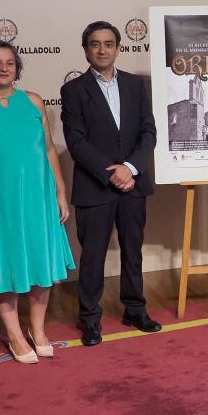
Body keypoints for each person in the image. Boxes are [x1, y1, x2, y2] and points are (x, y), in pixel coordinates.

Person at [0, 42, 75, 364]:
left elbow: (48, 149)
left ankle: (37, 329)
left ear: (17, 68)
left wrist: (60, 192)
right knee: (3, 265)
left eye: (9, 63)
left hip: (38, 197)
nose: (4, 68)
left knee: (41, 264)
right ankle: (14, 334)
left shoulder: (33, 102)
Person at [61, 21, 158, 346]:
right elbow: (76, 141)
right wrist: (111, 172)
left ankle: (135, 309)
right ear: (86, 49)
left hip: (133, 185)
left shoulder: (134, 85)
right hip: (95, 187)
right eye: (94, 44)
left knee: (133, 251)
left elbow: (148, 132)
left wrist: (129, 168)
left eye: (108, 43)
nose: (102, 49)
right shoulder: (73, 90)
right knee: (93, 257)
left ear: (118, 47)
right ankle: (89, 319)